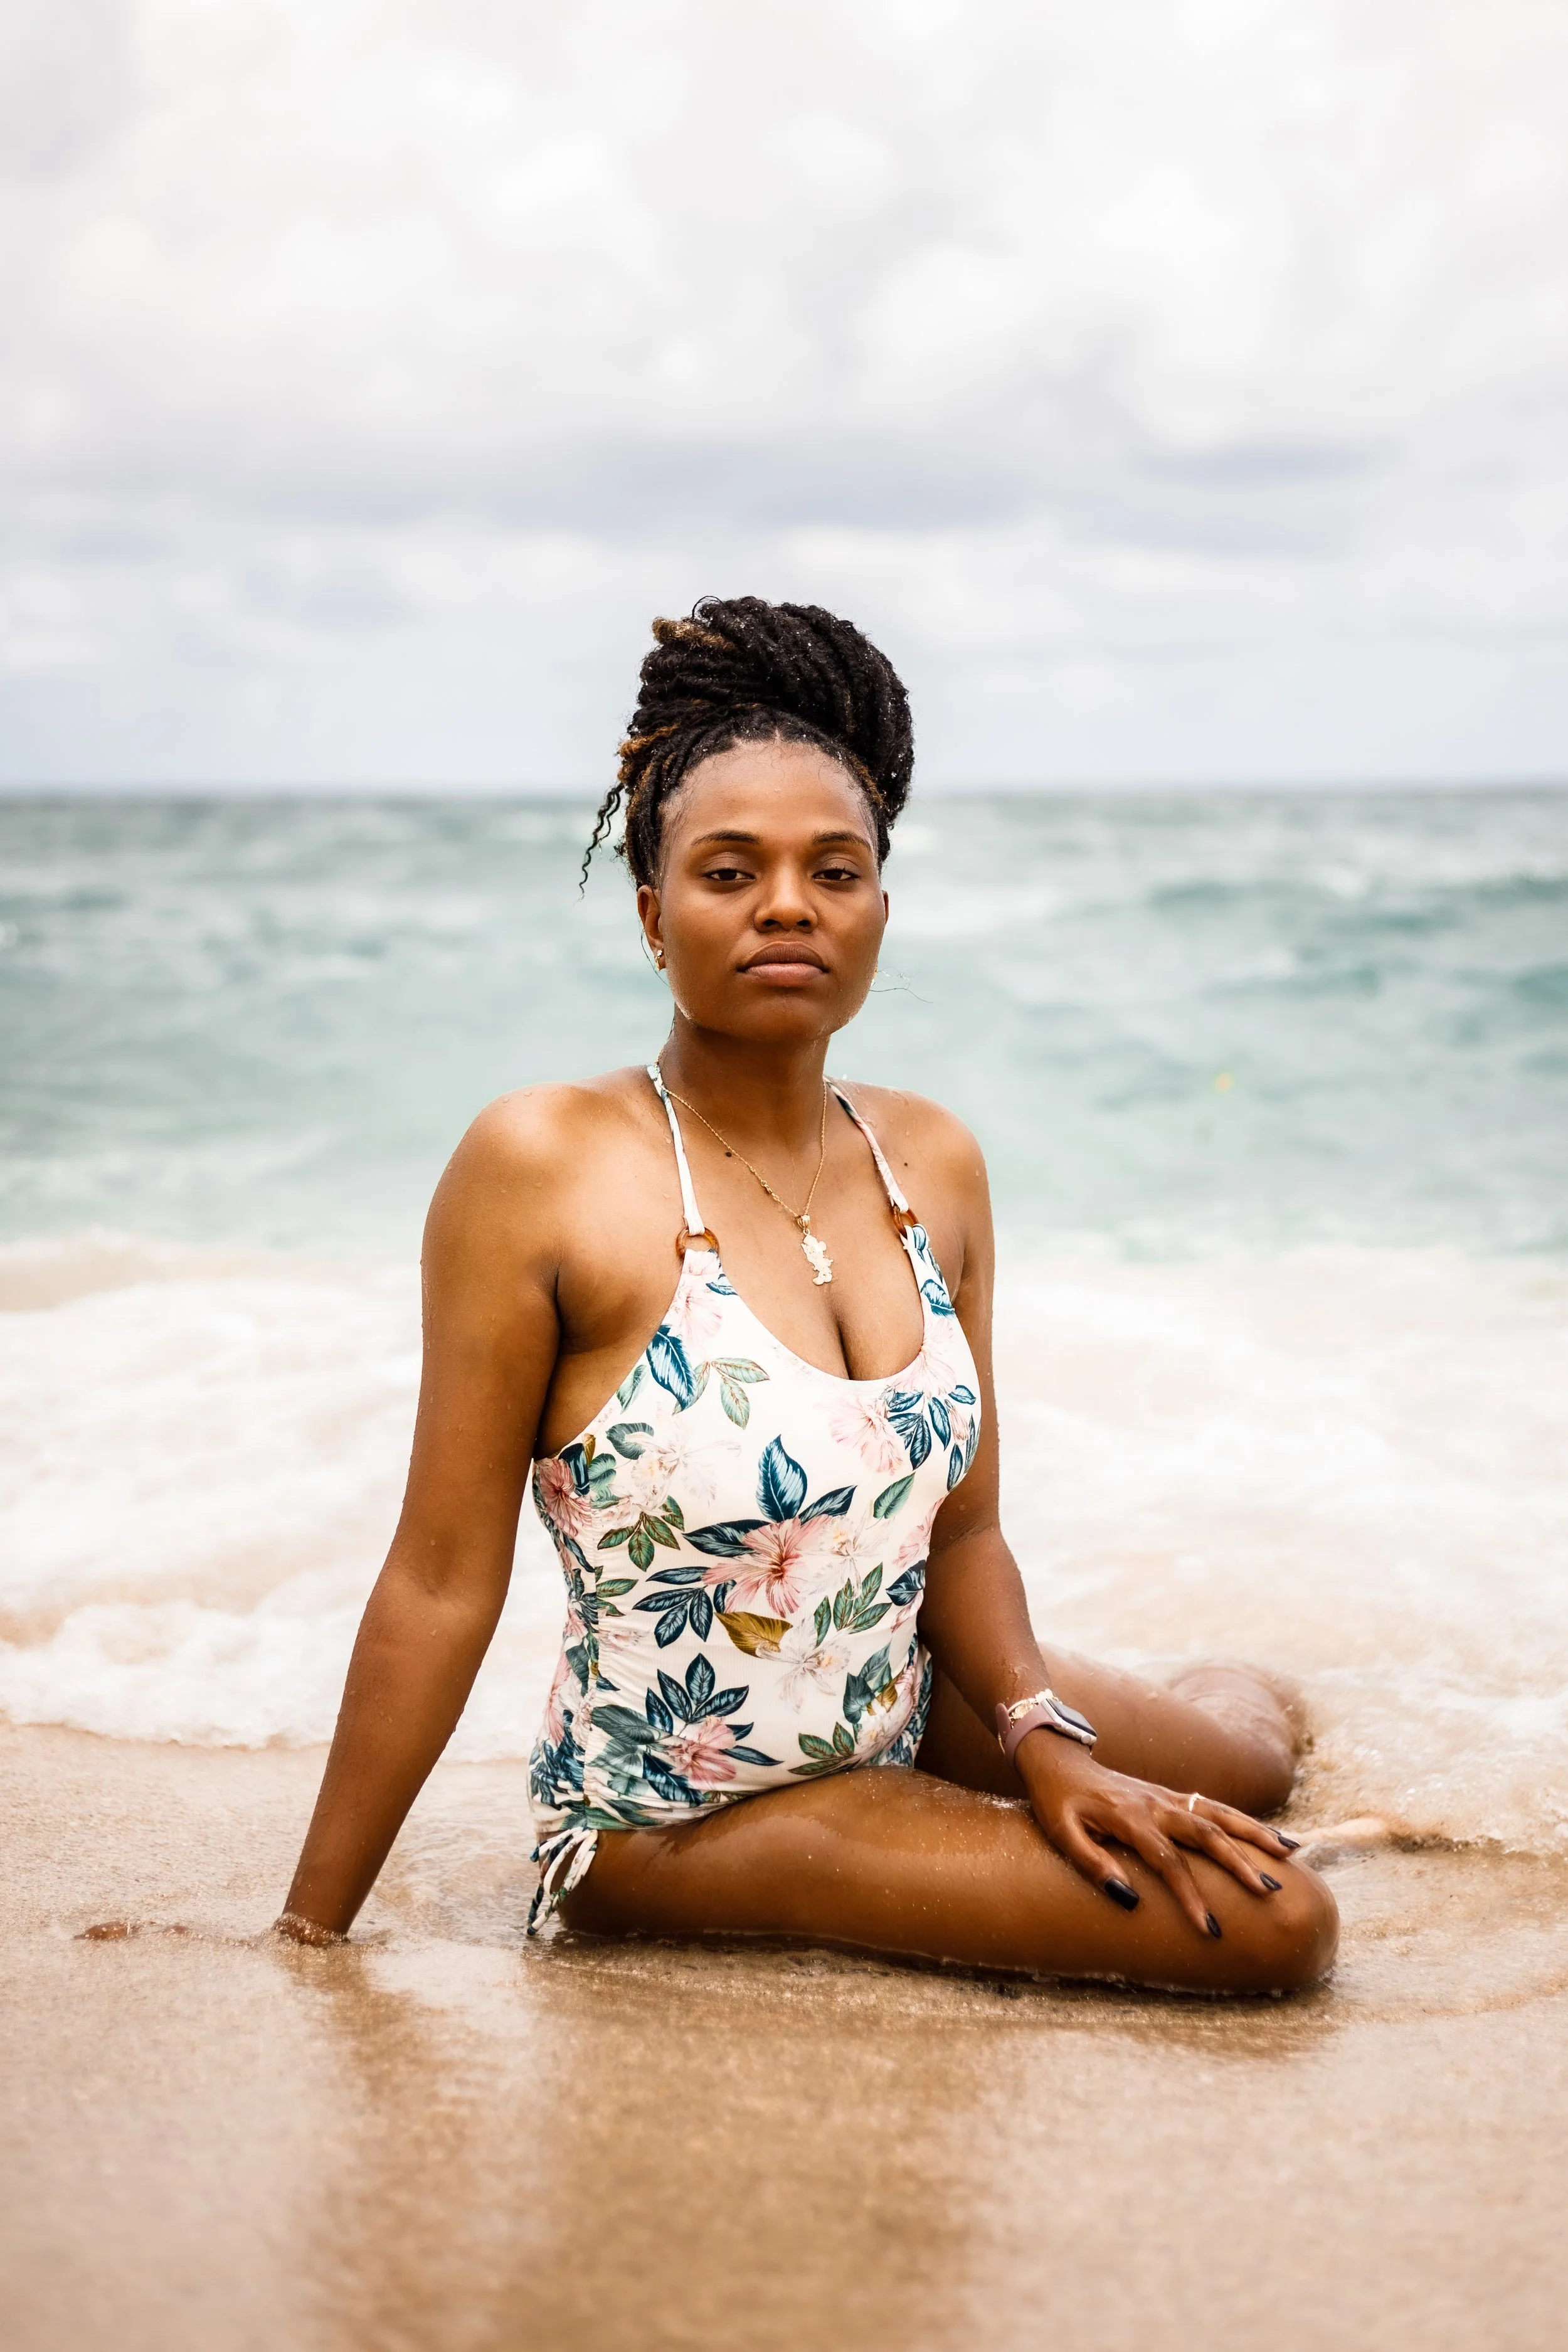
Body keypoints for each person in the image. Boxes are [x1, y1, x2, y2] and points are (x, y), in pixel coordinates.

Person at [277, 596, 1337, 1994]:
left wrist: (1043, 1738)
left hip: (906, 1704)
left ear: (878, 914)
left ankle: (1284, 1705)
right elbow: (434, 1579)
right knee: (1275, 1929)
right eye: (730, 872)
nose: (787, 904)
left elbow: (962, 1537)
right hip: (686, 1816)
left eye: (833, 871)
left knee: (1254, 1766)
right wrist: (306, 1936)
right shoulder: (541, 1167)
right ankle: (650, 1875)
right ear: (654, 917)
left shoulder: (929, 1161)